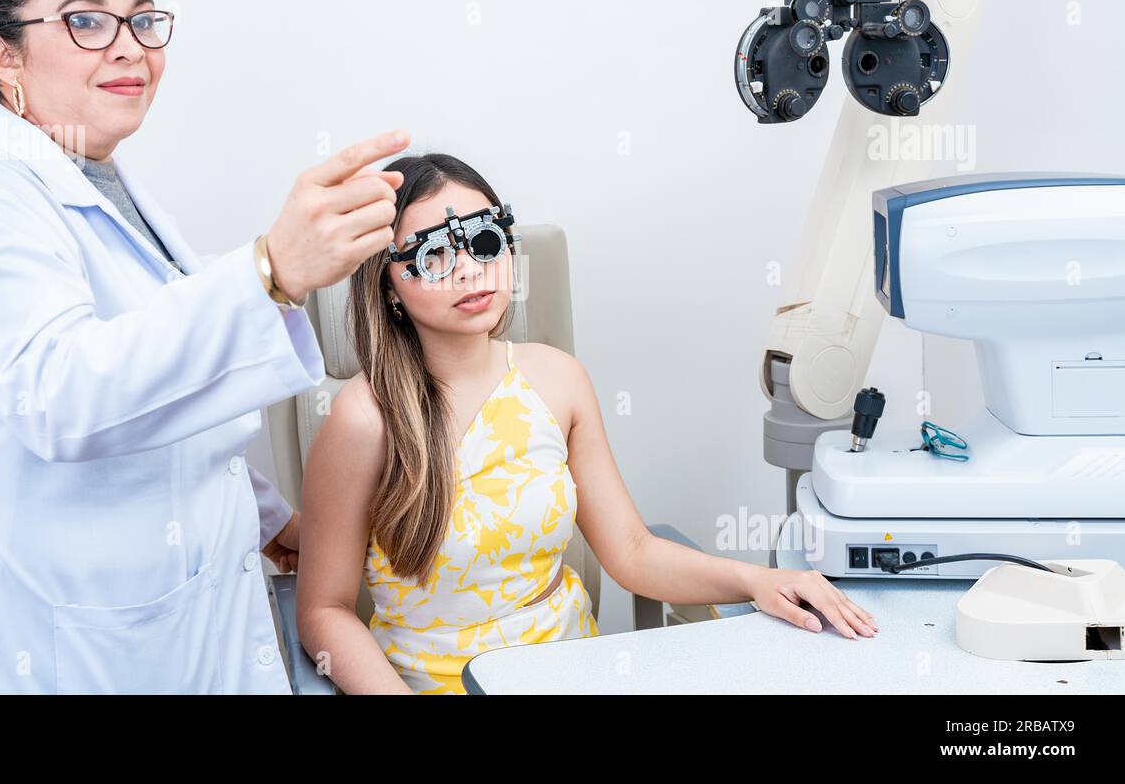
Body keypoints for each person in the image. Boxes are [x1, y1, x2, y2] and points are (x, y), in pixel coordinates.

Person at [0, 0, 406, 693]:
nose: (130, 47)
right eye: (86, 20)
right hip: (33, 645)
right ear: (3, 55)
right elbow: (64, 395)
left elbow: (161, 396)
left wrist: (267, 516)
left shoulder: (108, 186)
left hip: (158, 631)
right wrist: (270, 271)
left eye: (144, 19)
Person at [296, 153, 878, 694]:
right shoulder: (362, 419)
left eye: (482, 241)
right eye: (434, 256)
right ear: (390, 285)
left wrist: (758, 581)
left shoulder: (558, 380)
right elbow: (325, 610)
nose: (469, 271)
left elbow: (631, 551)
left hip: (570, 670)